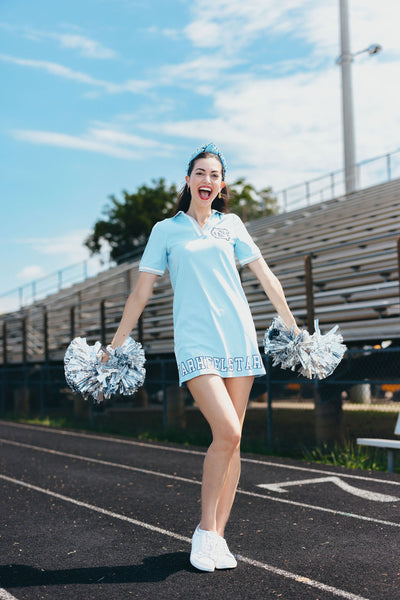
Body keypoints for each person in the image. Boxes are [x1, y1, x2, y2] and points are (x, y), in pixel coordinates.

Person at [107, 143, 298, 572]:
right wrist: (118, 341)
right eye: (200, 173)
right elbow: (142, 290)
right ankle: (204, 531)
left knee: (235, 442)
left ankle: (218, 539)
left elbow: (264, 274)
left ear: (221, 184)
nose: (207, 180)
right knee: (226, 432)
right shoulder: (166, 231)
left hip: (240, 341)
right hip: (196, 344)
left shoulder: (232, 226)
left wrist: (291, 323)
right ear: (188, 180)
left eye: (214, 175)